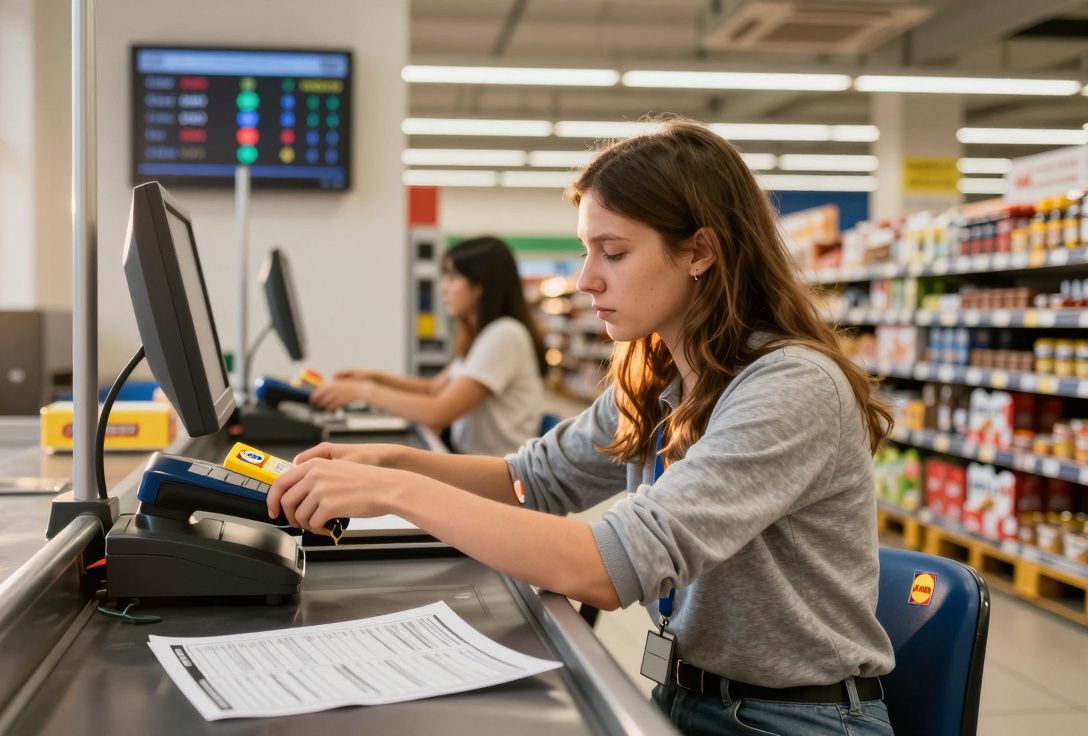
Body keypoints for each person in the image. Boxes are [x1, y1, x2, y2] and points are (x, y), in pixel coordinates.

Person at [267, 117, 896, 735]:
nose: (585, 279)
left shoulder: (791, 387)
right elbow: (529, 480)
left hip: (792, 719)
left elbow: (607, 567)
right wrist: (391, 462)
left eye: (613, 253)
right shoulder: (659, 377)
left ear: (700, 251)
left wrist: (396, 495)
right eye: (586, 249)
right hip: (684, 694)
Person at [310, 236, 546, 456]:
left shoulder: (504, 335)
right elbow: (433, 388)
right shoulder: (485, 336)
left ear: (480, 286)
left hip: (497, 471)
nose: (443, 288)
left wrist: (363, 392)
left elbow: (436, 413)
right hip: (473, 458)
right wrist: (371, 378)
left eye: (452, 278)